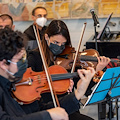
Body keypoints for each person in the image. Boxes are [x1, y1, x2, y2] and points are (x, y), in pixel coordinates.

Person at [0, 27, 95, 120]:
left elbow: (40, 110)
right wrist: (48, 115)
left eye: (25, 56)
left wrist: (77, 94)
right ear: (4, 64)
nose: (25, 62)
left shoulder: (18, 82)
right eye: (21, 59)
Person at [27, 20, 110, 119]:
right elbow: (29, 86)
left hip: (68, 107)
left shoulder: (70, 59)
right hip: (47, 108)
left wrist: (96, 70)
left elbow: (86, 89)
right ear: (46, 37)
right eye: (56, 42)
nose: (59, 47)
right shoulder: (35, 56)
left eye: (63, 44)